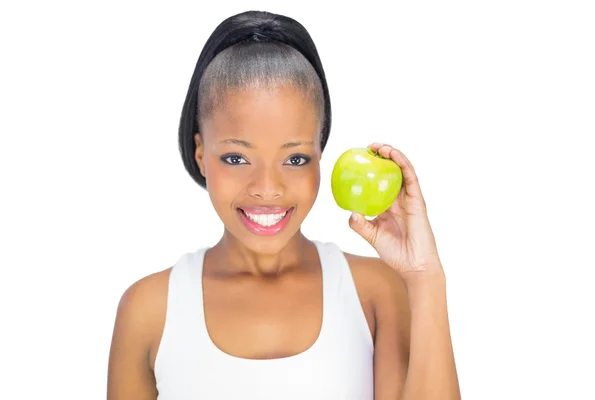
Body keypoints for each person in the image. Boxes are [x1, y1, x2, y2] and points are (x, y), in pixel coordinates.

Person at [107, 10, 460, 400]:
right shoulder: (149, 309)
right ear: (201, 153)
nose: (267, 188)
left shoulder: (375, 294)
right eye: (236, 158)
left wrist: (425, 278)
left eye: (294, 159)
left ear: (319, 154)